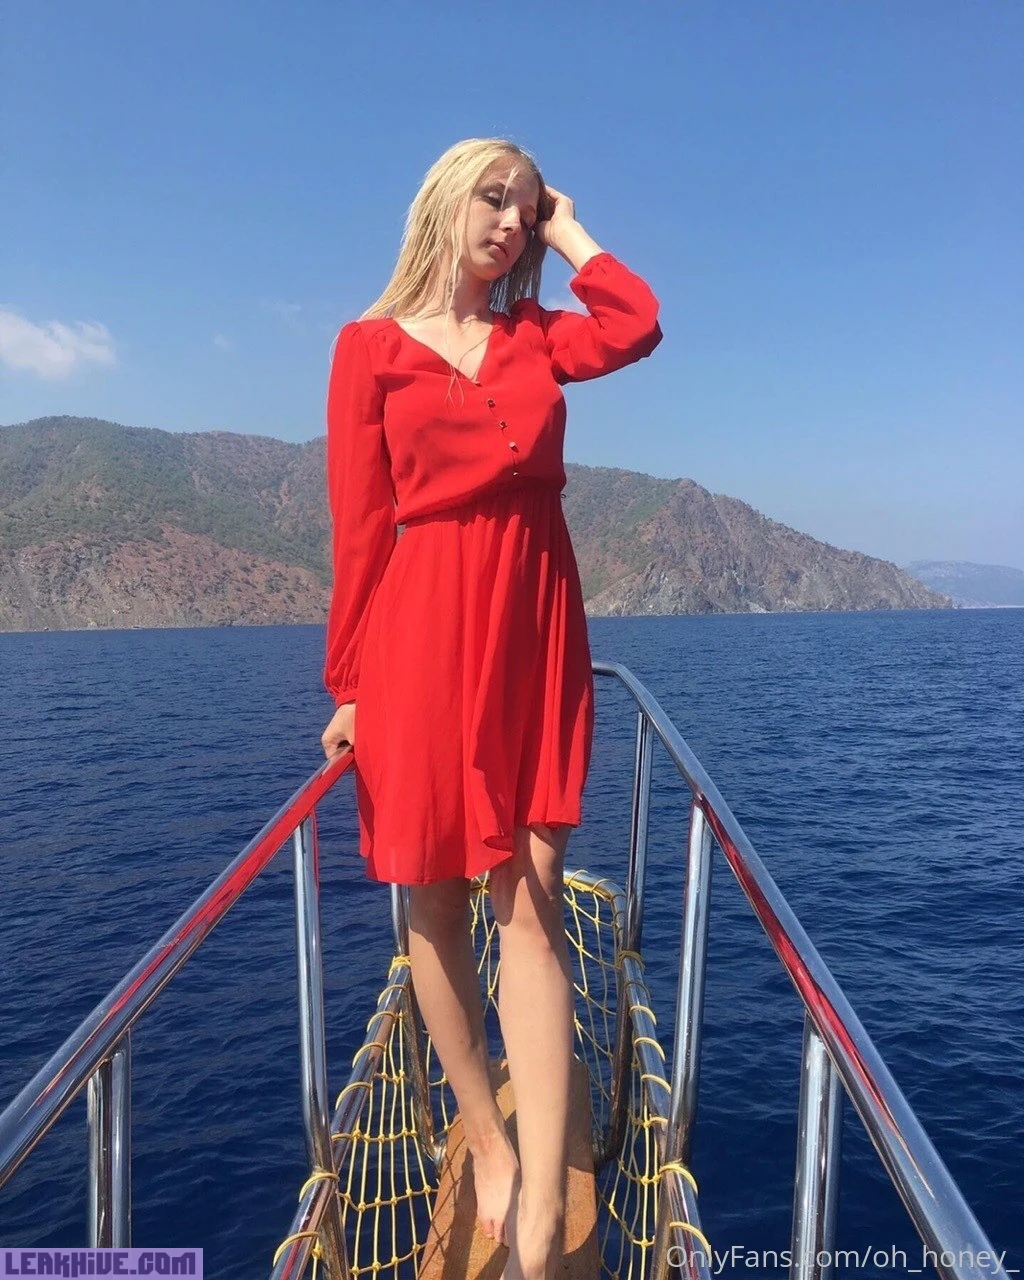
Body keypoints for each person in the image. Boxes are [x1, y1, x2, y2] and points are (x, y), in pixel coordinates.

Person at [320, 137, 661, 1280]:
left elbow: (635, 322)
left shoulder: (535, 336)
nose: (510, 221)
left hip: (535, 623)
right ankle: (490, 1141)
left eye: (524, 205)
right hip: (419, 630)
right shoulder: (367, 347)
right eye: (494, 197)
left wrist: (570, 226)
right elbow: (359, 528)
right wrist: (350, 685)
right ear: (442, 200)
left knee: (531, 894)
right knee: (431, 893)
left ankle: (539, 1215)